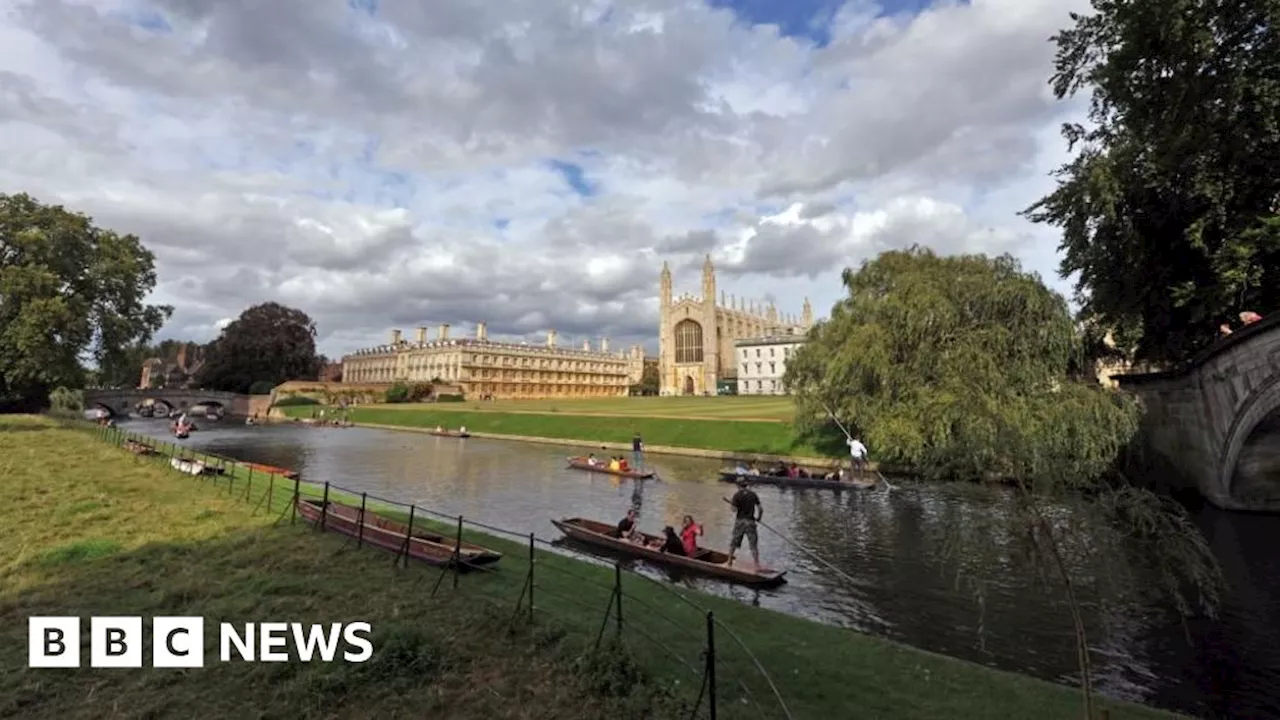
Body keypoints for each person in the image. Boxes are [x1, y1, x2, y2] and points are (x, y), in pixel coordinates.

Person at [727, 480, 762, 571]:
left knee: (734, 542)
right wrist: (759, 518)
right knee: (753, 545)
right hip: (751, 522)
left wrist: (732, 504)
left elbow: (734, 510)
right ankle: (757, 564)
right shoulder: (753, 494)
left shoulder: (737, 495)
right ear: (746, 485)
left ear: (738, 486)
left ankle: (729, 561)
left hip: (740, 522)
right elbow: (760, 508)